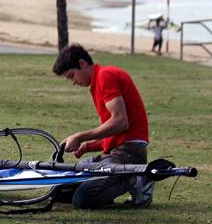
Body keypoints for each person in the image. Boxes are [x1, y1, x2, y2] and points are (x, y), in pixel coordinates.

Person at [52, 44, 154, 209]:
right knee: (58, 190)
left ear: (83, 64)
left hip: (128, 154)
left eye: (72, 76)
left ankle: (138, 177)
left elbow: (121, 122)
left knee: (83, 199)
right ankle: (113, 182)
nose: (73, 82)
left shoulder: (105, 76)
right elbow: (114, 131)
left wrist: (80, 136)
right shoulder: (97, 82)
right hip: (114, 153)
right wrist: (87, 146)